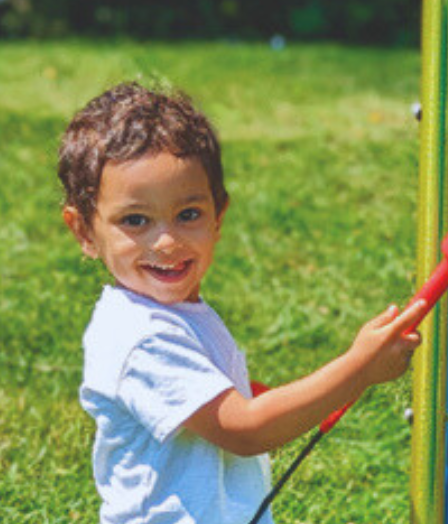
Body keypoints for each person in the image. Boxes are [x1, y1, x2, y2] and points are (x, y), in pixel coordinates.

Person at [58, 82, 426, 524]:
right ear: (83, 231)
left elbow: (232, 409)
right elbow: (246, 429)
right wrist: (359, 369)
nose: (167, 241)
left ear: (219, 216)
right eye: (135, 220)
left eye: (188, 214)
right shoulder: (141, 338)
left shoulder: (172, 313)